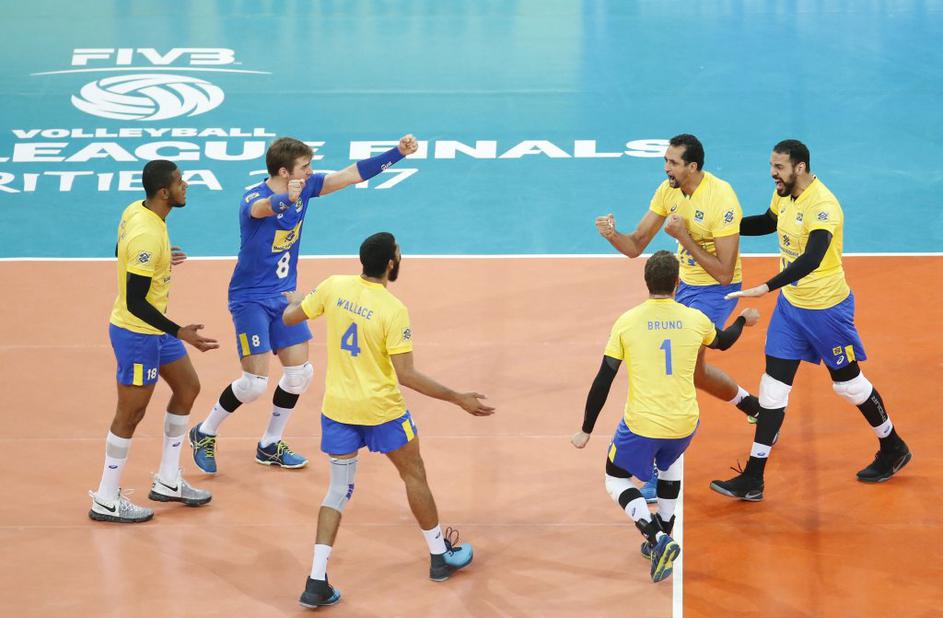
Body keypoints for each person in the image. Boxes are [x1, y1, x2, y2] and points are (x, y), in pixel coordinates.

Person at [282, 232, 495, 609]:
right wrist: (457, 398)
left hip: (339, 410)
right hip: (382, 412)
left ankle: (316, 580)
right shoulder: (392, 309)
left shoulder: (334, 286)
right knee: (414, 474)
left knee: (337, 492)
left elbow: (290, 317)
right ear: (391, 264)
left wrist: (301, 300)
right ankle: (439, 557)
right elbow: (406, 374)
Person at [189, 135, 419, 473]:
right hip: (250, 298)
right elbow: (262, 209)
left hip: (283, 295)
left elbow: (351, 175)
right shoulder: (253, 197)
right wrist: (287, 199)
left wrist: (397, 153)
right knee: (253, 384)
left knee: (299, 375)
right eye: (305, 167)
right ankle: (205, 431)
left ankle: (269, 444)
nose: (310, 172)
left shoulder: (307, 187)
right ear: (284, 172)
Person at [710, 139, 911, 501]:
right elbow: (768, 222)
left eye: (779, 167)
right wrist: (718, 229)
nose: (773, 173)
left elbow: (813, 257)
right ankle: (754, 478)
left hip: (826, 310)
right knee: (773, 387)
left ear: (799, 167)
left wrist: (767, 286)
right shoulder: (784, 195)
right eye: (772, 166)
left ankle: (893, 445)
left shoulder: (823, 206)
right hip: (791, 308)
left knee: (848, 385)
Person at [571, 250, 759, 582]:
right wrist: (744, 319)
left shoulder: (627, 322)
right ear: (677, 283)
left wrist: (586, 429)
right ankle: (667, 530)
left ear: (646, 281)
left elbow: (604, 379)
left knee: (615, 479)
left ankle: (655, 536)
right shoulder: (695, 319)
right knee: (669, 463)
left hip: (642, 424)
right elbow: (724, 342)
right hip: (685, 422)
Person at [596, 133, 762, 502]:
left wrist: (684, 238)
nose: (666, 168)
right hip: (684, 286)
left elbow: (724, 273)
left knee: (679, 372)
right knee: (696, 373)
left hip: (717, 291)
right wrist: (611, 235)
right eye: (666, 161)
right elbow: (636, 245)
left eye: (673, 162)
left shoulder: (722, 199)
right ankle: (754, 407)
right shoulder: (667, 191)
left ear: (693, 166)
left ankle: (660, 471)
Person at [89, 160, 218, 523]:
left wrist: (160, 262)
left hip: (154, 330)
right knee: (131, 414)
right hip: (136, 333)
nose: (185, 185)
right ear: (164, 192)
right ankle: (106, 497)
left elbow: (121, 252)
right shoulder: (146, 233)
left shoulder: (137, 209)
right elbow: (135, 301)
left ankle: (168, 479)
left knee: (188, 387)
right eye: (179, 182)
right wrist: (180, 332)